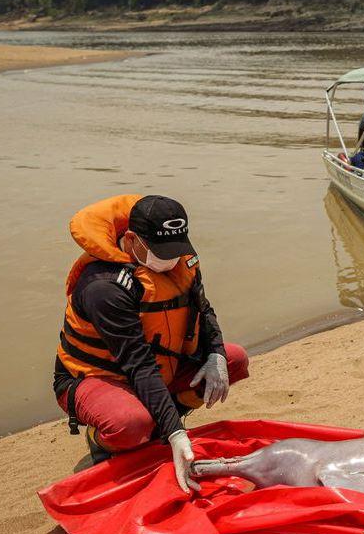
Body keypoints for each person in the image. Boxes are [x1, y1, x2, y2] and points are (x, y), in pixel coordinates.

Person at [54, 194, 249, 491]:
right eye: (161, 251)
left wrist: (216, 354)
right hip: (102, 377)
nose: (170, 259)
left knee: (234, 359)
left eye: (175, 249)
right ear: (132, 240)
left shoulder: (183, 262)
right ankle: (101, 438)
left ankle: (159, 419)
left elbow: (203, 310)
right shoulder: (103, 287)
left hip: (162, 367)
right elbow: (138, 364)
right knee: (129, 424)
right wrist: (176, 433)